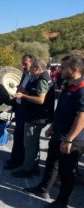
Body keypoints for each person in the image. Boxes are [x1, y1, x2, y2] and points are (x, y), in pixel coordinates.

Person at [25, 55, 84, 208]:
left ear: (75, 70)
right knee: (52, 163)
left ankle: (62, 202)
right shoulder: (67, 84)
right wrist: (52, 127)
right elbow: (61, 109)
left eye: (63, 68)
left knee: (66, 172)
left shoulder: (82, 88)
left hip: (73, 138)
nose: (59, 70)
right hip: (59, 133)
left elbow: (82, 118)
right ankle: (43, 189)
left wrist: (69, 139)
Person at [12, 59, 55, 178]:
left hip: (35, 117)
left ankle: (26, 169)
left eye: (31, 68)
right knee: (34, 142)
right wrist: (25, 91)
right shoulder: (42, 77)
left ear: (38, 69)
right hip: (36, 116)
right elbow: (36, 94)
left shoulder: (41, 80)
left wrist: (23, 96)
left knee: (29, 144)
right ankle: (34, 166)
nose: (29, 70)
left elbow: (41, 100)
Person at [4, 54, 35, 170]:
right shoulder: (25, 75)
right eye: (22, 63)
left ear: (32, 64)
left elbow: (33, 95)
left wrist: (24, 92)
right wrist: (15, 106)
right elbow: (20, 90)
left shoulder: (35, 77)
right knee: (18, 135)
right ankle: (16, 159)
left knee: (20, 136)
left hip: (26, 111)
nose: (23, 66)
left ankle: (16, 161)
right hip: (19, 109)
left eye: (25, 64)